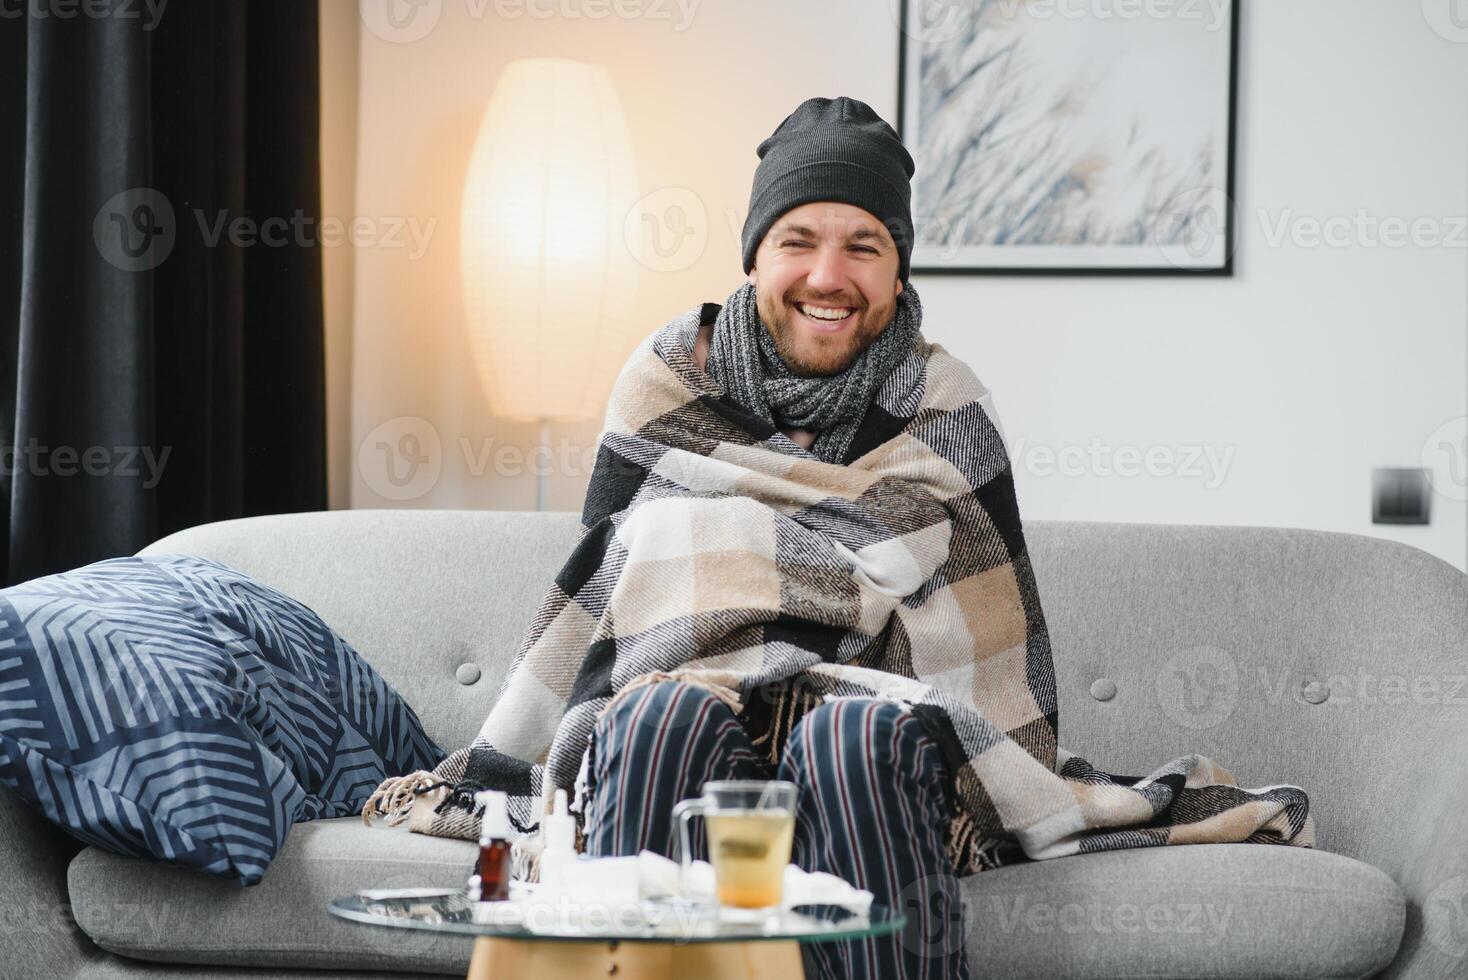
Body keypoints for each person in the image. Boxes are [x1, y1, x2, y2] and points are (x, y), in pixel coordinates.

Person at [578, 96, 974, 980]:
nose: (828, 276)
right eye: (799, 240)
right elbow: (616, 590)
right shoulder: (668, 382)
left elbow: (976, 643)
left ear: (898, 271)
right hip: (687, 691)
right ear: (755, 256)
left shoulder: (943, 403)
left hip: (878, 725)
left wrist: (747, 537)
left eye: (863, 246)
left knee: (855, 736)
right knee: (653, 715)